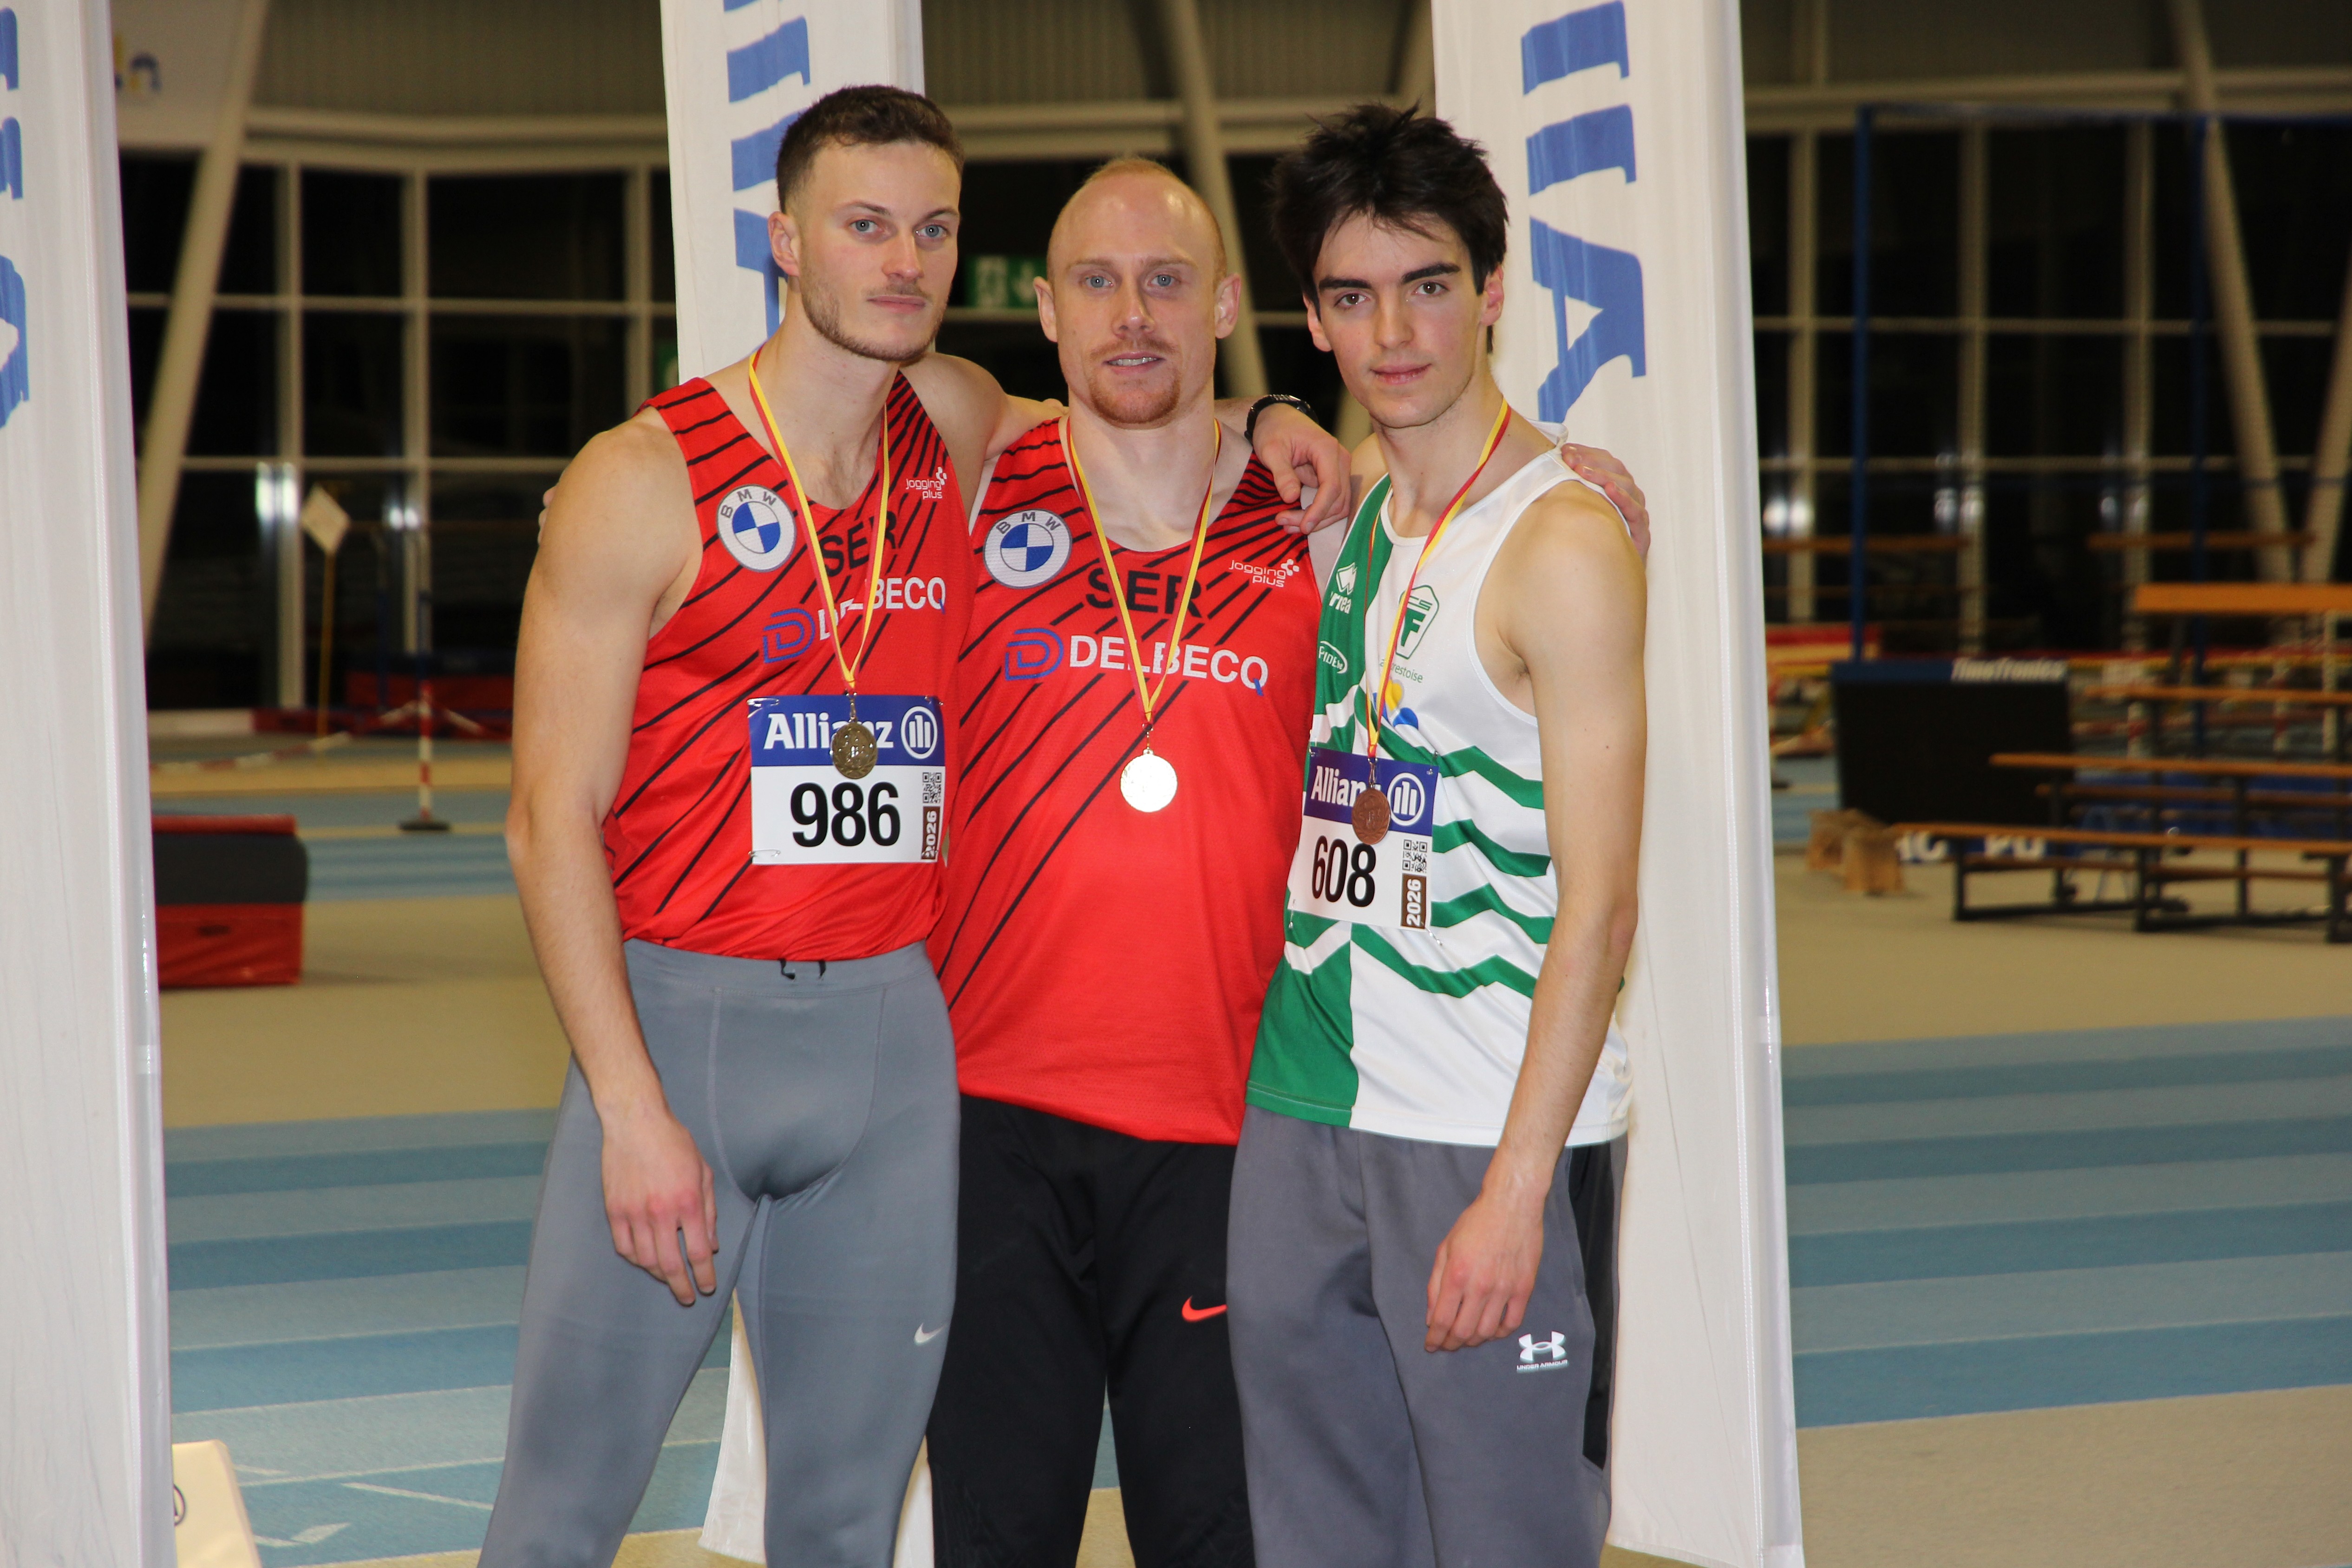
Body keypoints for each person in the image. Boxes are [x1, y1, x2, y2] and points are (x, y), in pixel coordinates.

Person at [484, 86, 1346, 1568]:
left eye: (933, 230)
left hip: (893, 1049)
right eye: (866, 226)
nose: (902, 261)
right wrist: (629, 1107)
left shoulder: (950, 434)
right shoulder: (643, 479)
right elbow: (544, 820)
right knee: (562, 1513)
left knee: (847, 1525)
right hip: (686, 1038)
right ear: (784, 241)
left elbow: (1153, 404)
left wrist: (1286, 417)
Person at [921, 156, 1653, 1568]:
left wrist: (1518, 1188)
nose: (1132, 314)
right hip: (1109, 1124)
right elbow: (857, 373)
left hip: (1257, 1126)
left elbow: (1604, 901)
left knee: (1313, 1531)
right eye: (1095, 283)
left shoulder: (1315, 513)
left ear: (1229, 308)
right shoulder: (999, 475)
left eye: (1168, 282)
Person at [1228, 104, 1647, 1568]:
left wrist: (1517, 1193)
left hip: (1484, 1122)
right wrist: (1264, 417)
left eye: (1427, 286)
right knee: (1320, 1537)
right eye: (1352, 297)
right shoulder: (1350, 510)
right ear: (1312, 319)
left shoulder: (1564, 543)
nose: (1395, 333)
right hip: (1306, 1101)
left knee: (1506, 1539)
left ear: (1492, 290)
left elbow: (1603, 910)